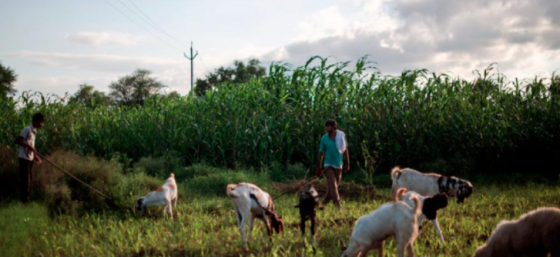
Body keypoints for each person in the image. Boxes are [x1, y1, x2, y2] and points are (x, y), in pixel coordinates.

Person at [315, 119, 350, 209]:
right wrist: (318, 166)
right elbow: (321, 152)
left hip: (338, 165)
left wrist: (347, 163)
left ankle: (323, 205)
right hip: (328, 165)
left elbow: (345, 150)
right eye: (326, 126)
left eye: (328, 126)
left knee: (332, 189)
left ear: (334, 127)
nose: (327, 128)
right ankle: (338, 206)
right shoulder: (324, 138)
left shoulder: (341, 137)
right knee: (334, 186)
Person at [14, 113, 44, 203]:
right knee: (26, 181)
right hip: (24, 159)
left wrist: (35, 156)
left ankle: (26, 200)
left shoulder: (34, 131)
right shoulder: (27, 129)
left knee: (29, 180)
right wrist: (29, 147)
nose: (42, 124)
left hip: (30, 159)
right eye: (41, 122)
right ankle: (24, 201)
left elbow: (31, 146)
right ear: (36, 121)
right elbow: (18, 140)